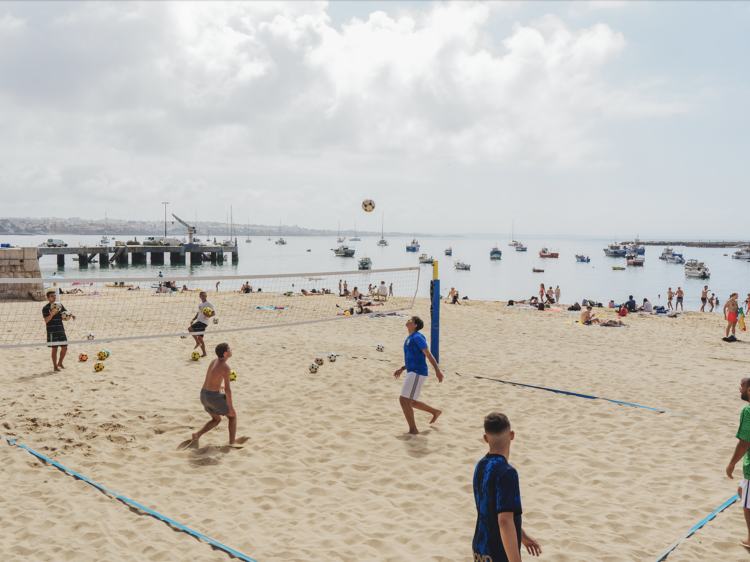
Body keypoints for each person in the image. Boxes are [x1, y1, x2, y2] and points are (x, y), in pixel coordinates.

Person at [472, 412, 542, 562]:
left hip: (480, 550)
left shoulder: (480, 466)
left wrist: (521, 534)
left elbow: (489, 509)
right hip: (498, 553)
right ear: (512, 435)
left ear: (485, 438)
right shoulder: (507, 472)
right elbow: (504, 521)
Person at [393, 316, 443, 434]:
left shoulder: (418, 337)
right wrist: (402, 368)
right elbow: (414, 358)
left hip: (417, 372)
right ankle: (435, 412)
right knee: (411, 402)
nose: (409, 320)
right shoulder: (409, 338)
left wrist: (437, 370)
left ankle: (413, 430)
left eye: (411, 320)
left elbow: (428, 354)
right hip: (413, 371)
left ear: (415, 325)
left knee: (403, 400)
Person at [191, 343, 239, 446]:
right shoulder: (226, 367)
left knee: (216, 419)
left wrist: (218, 387)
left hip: (203, 395)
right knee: (232, 416)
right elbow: (228, 390)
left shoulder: (213, 361)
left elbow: (210, 378)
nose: (231, 349)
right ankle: (232, 443)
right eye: (230, 349)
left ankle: (197, 434)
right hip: (213, 397)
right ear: (225, 353)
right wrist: (231, 407)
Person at [725, 376, 750, 548]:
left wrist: (731, 464)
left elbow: (744, 443)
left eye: (741, 386)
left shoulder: (748, 412)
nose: (739, 389)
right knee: (741, 490)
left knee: (748, 502)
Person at [42, 291, 75, 372]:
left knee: (64, 348)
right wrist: (51, 315)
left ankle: (60, 363)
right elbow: (46, 320)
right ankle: (54, 366)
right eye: (52, 296)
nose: (54, 297)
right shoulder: (46, 308)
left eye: (55, 295)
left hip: (60, 329)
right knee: (54, 349)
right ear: (48, 298)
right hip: (52, 331)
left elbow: (65, 313)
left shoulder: (59, 305)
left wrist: (71, 314)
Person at [188, 291, 215, 357]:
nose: (203, 297)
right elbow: (198, 313)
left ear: (206, 296)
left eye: (204, 295)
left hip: (203, 322)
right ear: (199, 297)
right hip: (199, 321)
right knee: (200, 338)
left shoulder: (209, 303)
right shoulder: (200, 304)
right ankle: (204, 353)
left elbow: (213, 313)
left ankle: (197, 343)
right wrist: (193, 319)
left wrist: (208, 315)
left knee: (190, 329)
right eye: (202, 296)